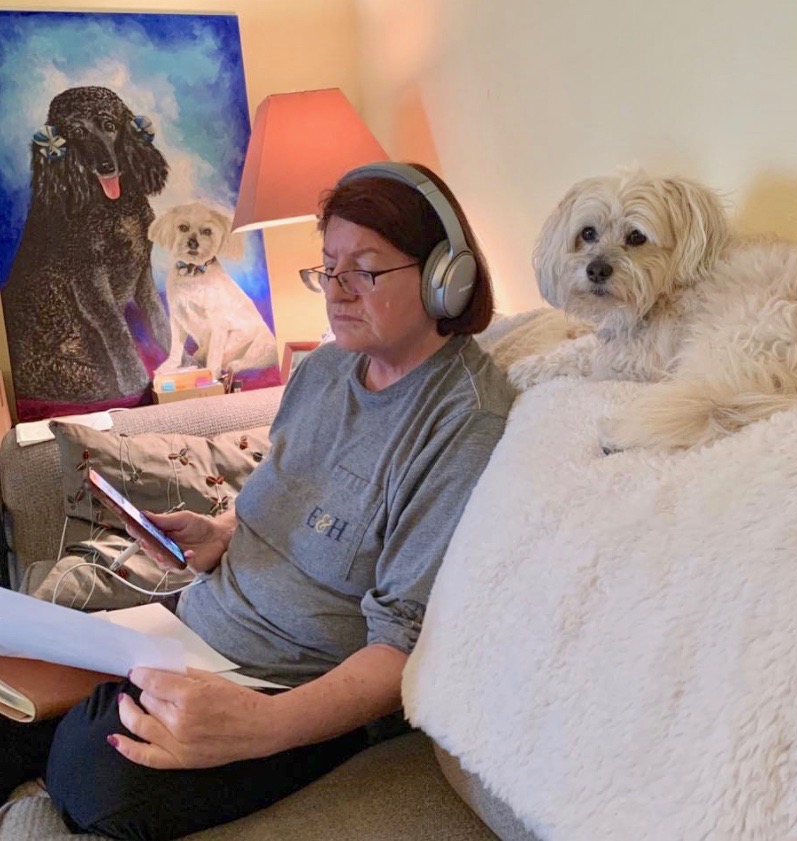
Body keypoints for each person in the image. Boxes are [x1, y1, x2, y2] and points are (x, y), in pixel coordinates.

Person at [1, 162, 516, 840]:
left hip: (286, 686)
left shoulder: (464, 423)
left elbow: (402, 643)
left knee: (101, 778)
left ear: (445, 275)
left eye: (363, 269)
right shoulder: (329, 367)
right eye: (327, 267)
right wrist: (219, 530)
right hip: (192, 629)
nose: (336, 292)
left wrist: (263, 727)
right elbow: (277, 488)